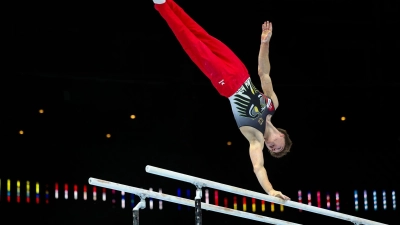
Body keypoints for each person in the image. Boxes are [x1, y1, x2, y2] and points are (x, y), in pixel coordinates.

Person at [153, 0, 292, 200]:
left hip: (228, 85)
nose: (273, 149)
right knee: (203, 36)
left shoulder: (256, 138)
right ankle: (169, 3)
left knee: (194, 45)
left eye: (273, 151)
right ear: (282, 135)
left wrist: (271, 190)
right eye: (278, 147)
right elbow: (264, 73)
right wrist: (265, 43)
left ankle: (161, 6)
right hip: (240, 71)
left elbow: (258, 167)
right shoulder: (272, 105)